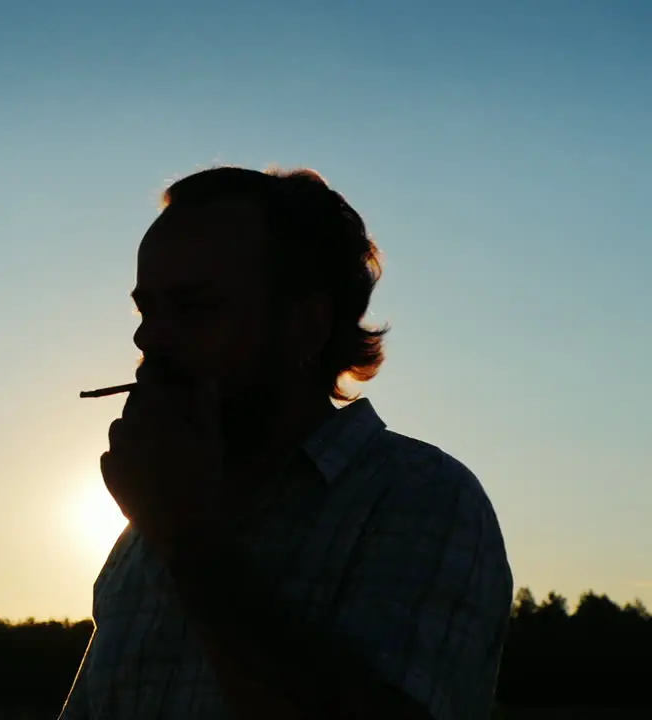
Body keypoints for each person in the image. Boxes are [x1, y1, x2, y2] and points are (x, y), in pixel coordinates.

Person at [59, 166, 513, 720]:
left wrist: (189, 541)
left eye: (195, 306)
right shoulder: (142, 537)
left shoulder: (421, 498)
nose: (147, 338)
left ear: (305, 325)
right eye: (146, 309)